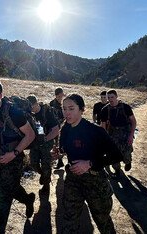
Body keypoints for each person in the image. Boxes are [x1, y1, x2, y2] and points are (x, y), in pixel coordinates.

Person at [51, 94, 123, 233]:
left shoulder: (95, 131)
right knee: (69, 220)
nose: (67, 113)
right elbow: (65, 149)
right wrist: (58, 153)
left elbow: (116, 155)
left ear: (82, 109)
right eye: (64, 109)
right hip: (73, 180)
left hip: (95, 181)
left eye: (71, 108)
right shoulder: (65, 129)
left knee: (103, 221)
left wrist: (89, 163)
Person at [0, 80, 36, 233]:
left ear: (0, 95)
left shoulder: (13, 113)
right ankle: (28, 199)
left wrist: (15, 153)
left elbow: (30, 135)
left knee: (3, 194)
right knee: (10, 187)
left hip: (14, 157)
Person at [26, 95, 60, 192]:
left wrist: (45, 139)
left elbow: (56, 130)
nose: (31, 109)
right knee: (33, 164)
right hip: (35, 142)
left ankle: (46, 184)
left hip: (47, 142)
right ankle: (43, 175)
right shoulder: (29, 113)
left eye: (32, 107)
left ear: (37, 104)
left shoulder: (47, 112)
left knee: (46, 165)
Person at [100, 89, 137, 178]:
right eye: (108, 97)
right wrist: (105, 139)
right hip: (112, 134)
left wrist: (131, 135)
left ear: (117, 96)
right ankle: (117, 171)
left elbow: (133, 121)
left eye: (112, 97)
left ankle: (128, 162)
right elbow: (103, 125)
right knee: (113, 154)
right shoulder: (105, 110)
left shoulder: (125, 107)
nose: (110, 99)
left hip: (125, 133)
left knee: (126, 153)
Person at [49, 87, 65, 169]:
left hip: (64, 126)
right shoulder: (52, 103)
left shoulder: (65, 103)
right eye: (57, 96)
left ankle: (62, 160)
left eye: (60, 95)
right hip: (55, 127)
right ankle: (59, 161)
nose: (59, 97)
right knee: (56, 143)